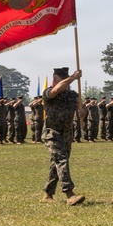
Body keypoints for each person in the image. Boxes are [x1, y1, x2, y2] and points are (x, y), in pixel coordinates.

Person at [40, 67, 85, 206]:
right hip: (51, 133)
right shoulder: (48, 92)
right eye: (62, 79)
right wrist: (73, 77)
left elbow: (82, 109)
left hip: (66, 134)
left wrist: (83, 112)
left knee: (57, 164)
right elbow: (55, 91)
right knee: (61, 159)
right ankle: (69, 194)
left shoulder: (73, 95)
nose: (66, 82)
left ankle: (47, 194)